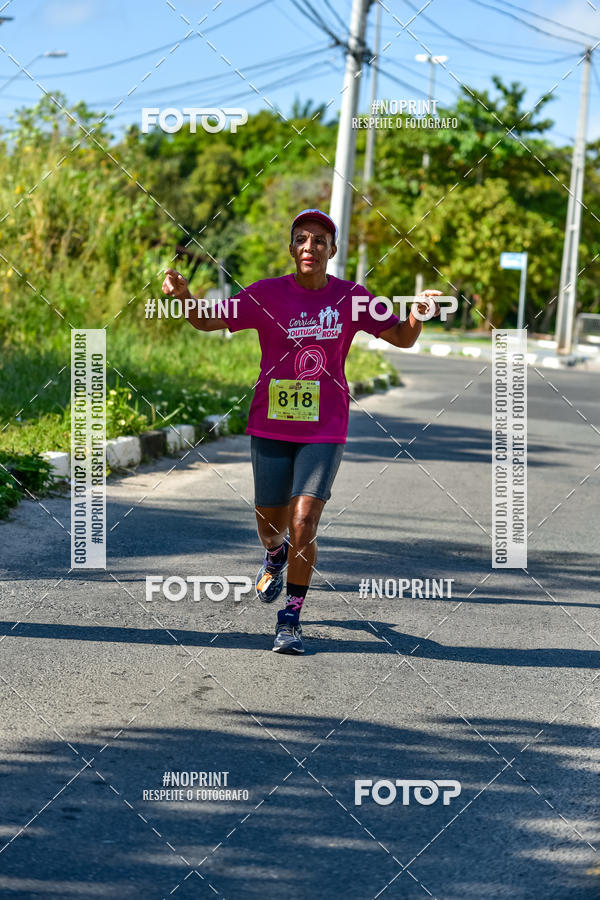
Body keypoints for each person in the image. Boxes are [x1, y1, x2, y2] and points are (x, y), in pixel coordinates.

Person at [162, 208, 441, 655]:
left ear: (332, 250)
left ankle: (290, 615)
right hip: (271, 422)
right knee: (271, 525)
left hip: (325, 426)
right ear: (291, 248)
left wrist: (419, 313)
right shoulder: (267, 294)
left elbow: (403, 338)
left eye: (318, 240)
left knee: (304, 519)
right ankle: (274, 554)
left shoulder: (353, 297)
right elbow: (206, 320)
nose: (309, 247)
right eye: (301, 239)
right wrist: (183, 294)